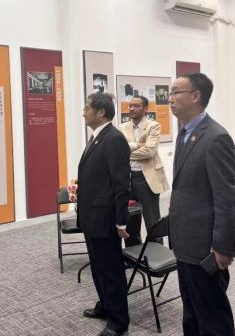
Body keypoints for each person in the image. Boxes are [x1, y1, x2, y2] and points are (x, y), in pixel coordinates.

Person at [168, 73, 235, 336]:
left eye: (176, 92)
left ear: (196, 96)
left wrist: (222, 246)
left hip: (205, 248)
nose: (170, 98)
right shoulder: (185, 134)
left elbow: (226, 199)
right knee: (191, 313)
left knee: (213, 318)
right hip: (184, 242)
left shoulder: (216, 137)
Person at [76, 92, 131, 336]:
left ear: (101, 112)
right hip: (92, 216)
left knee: (111, 271)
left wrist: (121, 220)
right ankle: (106, 306)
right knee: (98, 267)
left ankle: (119, 322)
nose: (83, 112)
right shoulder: (97, 137)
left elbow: (121, 185)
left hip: (105, 218)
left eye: (87, 108)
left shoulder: (114, 139)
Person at [119, 95, 169, 243]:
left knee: (152, 221)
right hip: (128, 179)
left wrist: (128, 150)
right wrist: (138, 146)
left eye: (136, 106)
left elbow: (150, 151)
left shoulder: (153, 126)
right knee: (131, 221)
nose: (132, 109)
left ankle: (156, 253)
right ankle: (132, 254)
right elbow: (119, 151)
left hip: (147, 178)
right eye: (130, 106)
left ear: (146, 108)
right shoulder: (122, 127)